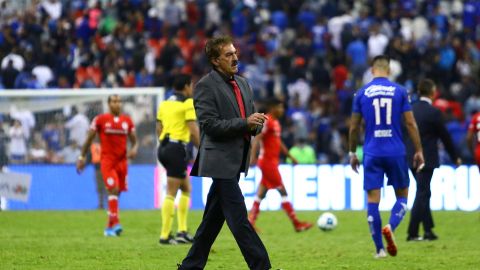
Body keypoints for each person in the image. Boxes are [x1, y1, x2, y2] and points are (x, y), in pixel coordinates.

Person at [178, 36, 271, 270]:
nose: (235, 57)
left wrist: (257, 123)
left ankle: (190, 267)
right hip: (219, 161)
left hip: (236, 160)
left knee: (211, 221)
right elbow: (209, 126)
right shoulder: (205, 86)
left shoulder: (243, 84)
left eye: (235, 52)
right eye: (228, 55)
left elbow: (250, 121)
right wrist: (245, 123)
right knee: (239, 219)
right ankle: (262, 267)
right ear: (215, 61)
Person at [348, 55, 424, 258]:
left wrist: (352, 152)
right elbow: (410, 123)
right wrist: (418, 150)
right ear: (389, 71)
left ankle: (379, 249)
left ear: (372, 71)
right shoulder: (400, 91)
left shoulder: (362, 93)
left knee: (373, 200)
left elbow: (354, 127)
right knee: (403, 196)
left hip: (372, 151)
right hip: (396, 151)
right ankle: (391, 226)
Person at [406, 79, 461, 242]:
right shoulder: (434, 112)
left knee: (424, 192)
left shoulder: (410, 110)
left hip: (410, 157)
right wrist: (455, 157)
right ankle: (413, 232)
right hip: (426, 158)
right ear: (432, 92)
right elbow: (445, 137)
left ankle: (428, 230)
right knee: (423, 192)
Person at [76, 94, 138, 237]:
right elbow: (89, 139)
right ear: (109, 104)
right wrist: (82, 156)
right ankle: (116, 222)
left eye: (119, 101)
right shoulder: (101, 120)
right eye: (114, 101)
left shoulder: (127, 121)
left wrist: (134, 149)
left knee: (117, 193)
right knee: (113, 189)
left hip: (122, 162)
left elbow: (134, 141)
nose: (117, 104)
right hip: (107, 161)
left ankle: (108, 228)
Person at [249, 97, 313, 232]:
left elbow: (278, 142)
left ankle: (250, 221)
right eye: (280, 107)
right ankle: (296, 224)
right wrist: (253, 157)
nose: (282, 110)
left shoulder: (276, 122)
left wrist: (290, 156)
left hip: (272, 162)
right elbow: (258, 137)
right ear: (273, 108)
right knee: (282, 191)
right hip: (267, 162)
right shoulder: (266, 121)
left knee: (261, 193)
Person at [156, 74, 200, 245]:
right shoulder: (187, 103)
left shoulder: (164, 104)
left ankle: (182, 231)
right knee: (172, 192)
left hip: (165, 147)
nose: (193, 89)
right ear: (187, 86)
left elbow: (158, 128)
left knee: (186, 187)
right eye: (192, 85)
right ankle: (165, 235)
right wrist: (202, 148)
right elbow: (193, 129)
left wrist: (165, 144)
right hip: (176, 148)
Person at [90, 141, 106, 209]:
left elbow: (89, 156)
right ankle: (110, 205)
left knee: (100, 188)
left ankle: (101, 204)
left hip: (99, 169)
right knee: (106, 187)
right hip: (105, 168)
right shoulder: (105, 144)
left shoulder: (93, 145)